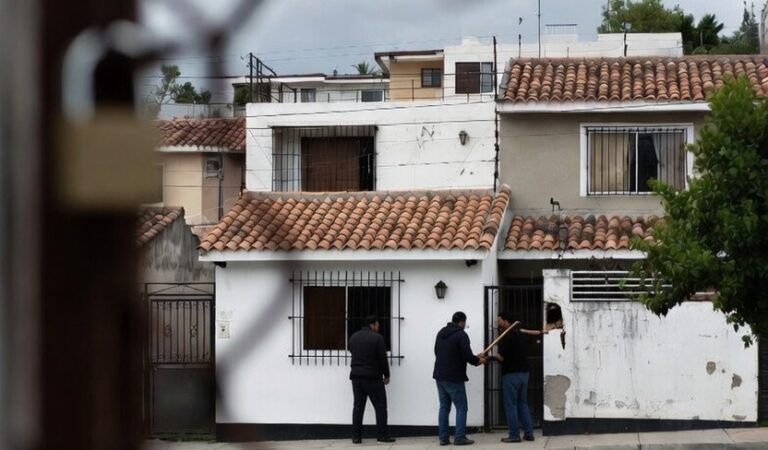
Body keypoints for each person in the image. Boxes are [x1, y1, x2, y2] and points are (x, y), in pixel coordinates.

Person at [492, 311, 547, 443]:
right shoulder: (522, 334)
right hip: (524, 374)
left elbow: (501, 357)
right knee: (522, 403)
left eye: (499, 320)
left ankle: (514, 435)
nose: (497, 323)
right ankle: (529, 433)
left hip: (511, 374)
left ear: (506, 321)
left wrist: (490, 357)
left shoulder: (506, 336)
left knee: (511, 405)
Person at [433, 311, 487, 446]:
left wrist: (476, 357)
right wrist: (478, 361)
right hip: (454, 377)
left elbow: (437, 351)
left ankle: (443, 438)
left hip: (440, 376)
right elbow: (468, 356)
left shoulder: (441, 333)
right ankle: (459, 437)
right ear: (462, 322)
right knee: (462, 407)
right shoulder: (461, 335)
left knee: (444, 407)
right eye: (465, 323)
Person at [348, 315, 395, 444]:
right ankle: (382, 435)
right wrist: (386, 375)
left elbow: (351, 350)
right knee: (380, 406)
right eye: (377, 325)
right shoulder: (377, 338)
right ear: (373, 324)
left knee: (358, 406)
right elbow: (382, 359)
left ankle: (356, 437)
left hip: (356, 377)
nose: (378, 327)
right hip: (373, 377)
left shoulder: (353, 337)